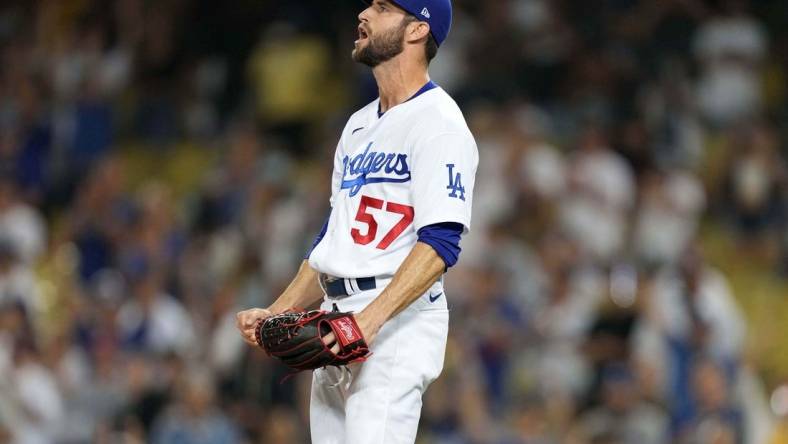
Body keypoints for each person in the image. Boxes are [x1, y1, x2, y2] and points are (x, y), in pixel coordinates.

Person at [236, 0, 478, 442]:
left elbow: (441, 243)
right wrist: (279, 309)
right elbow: (335, 237)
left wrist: (370, 320)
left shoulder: (440, 124)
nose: (364, 13)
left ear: (416, 30)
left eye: (383, 7)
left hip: (396, 323)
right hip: (337, 319)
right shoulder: (357, 126)